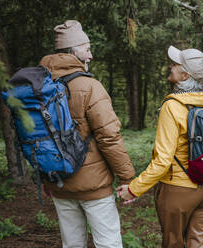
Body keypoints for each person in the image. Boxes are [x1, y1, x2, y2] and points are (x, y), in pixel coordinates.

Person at [117, 41, 203, 248]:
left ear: (185, 76)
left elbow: (163, 161)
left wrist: (134, 189)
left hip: (179, 190)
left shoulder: (172, 106)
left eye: (175, 64)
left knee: (173, 244)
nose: (170, 65)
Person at [39, 20, 135, 248]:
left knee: (72, 244)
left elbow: (39, 136)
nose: (91, 55)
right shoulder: (90, 87)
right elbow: (109, 137)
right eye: (87, 49)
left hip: (59, 182)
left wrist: (45, 177)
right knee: (108, 243)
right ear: (74, 52)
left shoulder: (40, 87)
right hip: (94, 186)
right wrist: (128, 178)